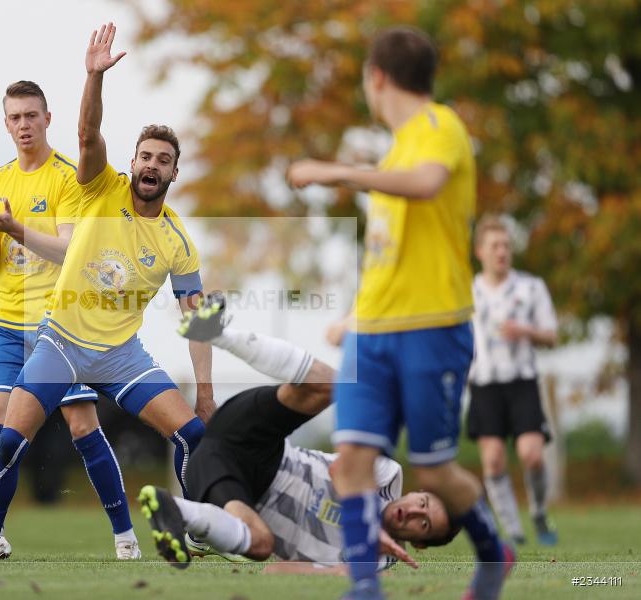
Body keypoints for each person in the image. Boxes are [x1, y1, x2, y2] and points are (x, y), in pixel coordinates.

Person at [0, 22, 214, 566]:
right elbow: (87, 135)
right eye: (145, 156)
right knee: (7, 441)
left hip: (121, 353)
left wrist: (208, 390)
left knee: (195, 436)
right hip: (62, 341)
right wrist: (93, 78)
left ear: (173, 173)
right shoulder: (102, 185)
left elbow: (198, 318)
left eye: (162, 160)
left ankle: (195, 527)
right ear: (133, 163)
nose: (151, 165)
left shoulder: (178, 241)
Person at [287, 26, 513, 600]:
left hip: (433, 327)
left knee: (433, 470)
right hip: (375, 333)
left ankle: (493, 553)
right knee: (354, 459)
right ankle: (366, 589)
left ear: (377, 77)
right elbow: (389, 253)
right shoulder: (395, 147)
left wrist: (341, 172)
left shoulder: (441, 127)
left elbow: (427, 184)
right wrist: (354, 317)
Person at [0, 80, 139, 562]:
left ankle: (125, 536)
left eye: (31, 115)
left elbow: (70, 249)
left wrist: (12, 225)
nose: (23, 125)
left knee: (80, 424)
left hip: (58, 326)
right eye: (15, 117)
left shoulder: (67, 178)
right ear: (5, 124)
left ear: (47, 119)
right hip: (8, 326)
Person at [140, 294, 460, 573]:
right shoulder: (388, 476)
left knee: (260, 543)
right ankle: (217, 333)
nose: (415, 510)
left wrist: (343, 571)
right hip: (259, 441)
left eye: (424, 522)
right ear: (418, 492)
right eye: (423, 502)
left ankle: (178, 510)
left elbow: (277, 572)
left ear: (419, 544)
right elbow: (343, 470)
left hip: (238, 488)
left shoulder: (375, 562)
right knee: (334, 385)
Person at [468, 215, 558, 545]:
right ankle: (514, 533)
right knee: (492, 461)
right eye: (495, 246)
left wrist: (527, 331)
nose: (502, 252)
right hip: (484, 384)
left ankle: (537, 510)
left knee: (532, 455)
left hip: (522, 381)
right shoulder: (467, 292)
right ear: (481, 251)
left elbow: (552, 336)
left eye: (506, 245)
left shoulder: (531, 287)